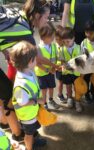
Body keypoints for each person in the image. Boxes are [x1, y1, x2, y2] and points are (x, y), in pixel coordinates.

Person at [0, 0, 58, 141]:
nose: (47, 21)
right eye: (46, 17)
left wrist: (3, 50)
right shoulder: (24, 31)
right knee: (8, 94)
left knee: (4, 92)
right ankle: (18, 134)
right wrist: (55, 66)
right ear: (37, 15)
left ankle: (4, 121)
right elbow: (37, 58)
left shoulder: (19, 14)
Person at [10, 41, 47, 150]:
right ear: (31, 61)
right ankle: (29, 147)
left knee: (33, 130)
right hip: (27, 116)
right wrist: (37, 100)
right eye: (35, 59)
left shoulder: (28, 71)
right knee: (28, 134)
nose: (36, 60)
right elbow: (23, 102)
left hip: (32, 113)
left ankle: (33, 140)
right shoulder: (20, 85)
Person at [35, 23, 60, 110]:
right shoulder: (38, 48)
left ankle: (51, 100)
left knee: (51, 87)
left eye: (53, 36)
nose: (53, 39)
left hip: (51, 72)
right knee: (44, 90)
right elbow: (38, 63)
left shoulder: (53, 46)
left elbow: (55, 58)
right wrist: (47, 70)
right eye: (51, 37)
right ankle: (44, 103)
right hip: (42, 73)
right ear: (42, 37)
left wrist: (54, 68)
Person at [60, 27, 82, 112]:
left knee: (77, 87)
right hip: (66, 72)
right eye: (64, 42)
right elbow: (62, 60)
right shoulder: (61, 49)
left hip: (76, 72)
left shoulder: (79, 48)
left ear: (73, 38)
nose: (66, 43)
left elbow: (80, 60)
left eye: (68, 41)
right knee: (68, 86)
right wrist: (64, 65)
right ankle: (69, 98)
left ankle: (77, 101)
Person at [80, 20, 94, 104]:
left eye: (91, 33)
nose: (88, 35)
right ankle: (87, 94)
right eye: (86, 32)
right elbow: (82, 56)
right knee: (86, 80)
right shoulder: (84, 42)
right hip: (87, 68)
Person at [55, 25, 67, 103]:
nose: (59, 41)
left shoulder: (65, 45)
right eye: (57, 39)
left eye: (61, 39)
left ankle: (68, 94)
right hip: (59, 68)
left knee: (67, 81)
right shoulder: (55, 47)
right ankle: (59, 94)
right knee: (60, 82)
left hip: (66, 67)